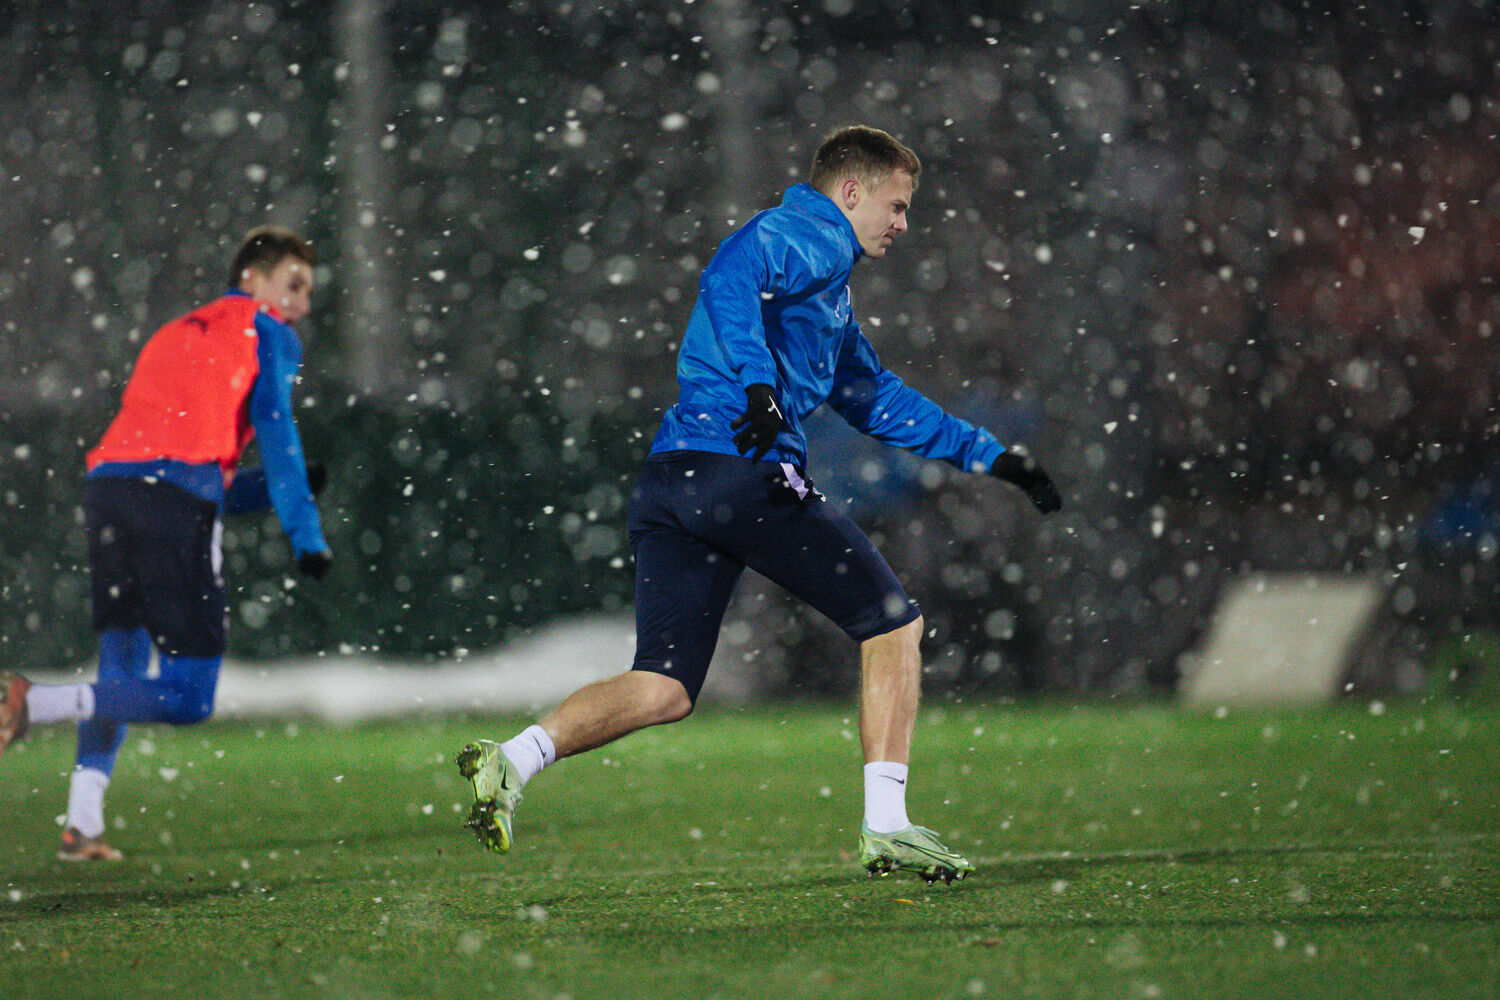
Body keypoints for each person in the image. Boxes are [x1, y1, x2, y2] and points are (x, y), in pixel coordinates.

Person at [455, 126, 1061, 883]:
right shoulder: (805, 236)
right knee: (895, 626)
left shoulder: (824, 293)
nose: (903, 224)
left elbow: (880, 402)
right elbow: (729, 277)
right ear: (851, 193)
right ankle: (888, 825)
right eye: (897, 205)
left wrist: (991, 456)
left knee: (666, 687)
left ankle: (513, 760)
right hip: (742, 472)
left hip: (674, 479)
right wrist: (759, 388)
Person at [0, 226, 334, 860]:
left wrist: (264, 492)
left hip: (108, 491)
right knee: (187, 696)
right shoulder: (268, 333)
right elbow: (274, 433)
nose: (303, 305)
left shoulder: (176, 331)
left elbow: (175, 470)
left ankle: (82, 824)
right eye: (295, 285)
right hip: (170, 498)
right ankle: (31, 702)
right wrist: (305, 533)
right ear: (253, 281)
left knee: (120, 666)